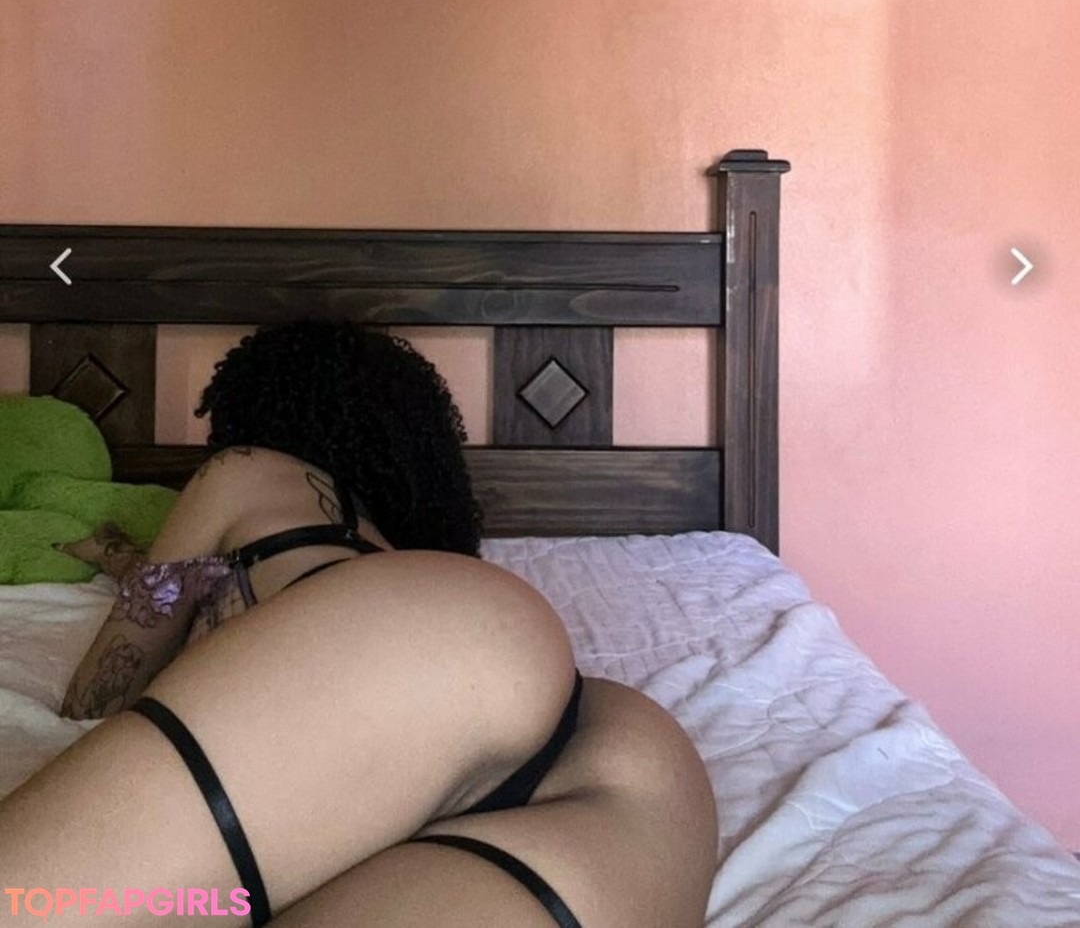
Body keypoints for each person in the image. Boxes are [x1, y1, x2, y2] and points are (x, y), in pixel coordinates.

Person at [0, 321, 718, 928]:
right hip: (629, 761)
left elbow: (99, 691)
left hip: (433, 666)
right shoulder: (394, 550)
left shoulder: (243, 470)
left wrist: (124, 562)